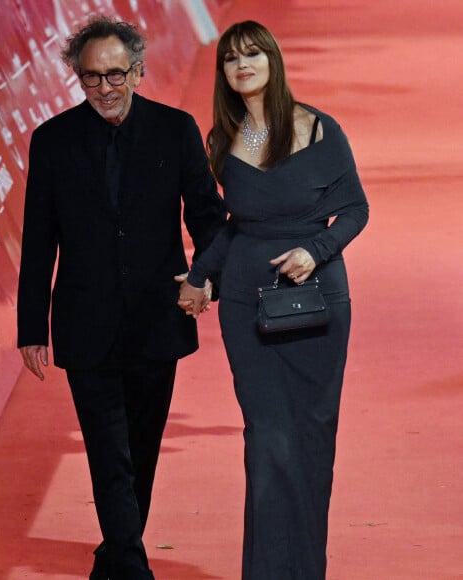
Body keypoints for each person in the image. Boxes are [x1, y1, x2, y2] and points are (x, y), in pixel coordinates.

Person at [16, 15, 226, 580]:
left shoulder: (175, 129)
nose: (104, 89)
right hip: (85, 321)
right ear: (75, 79)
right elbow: (40, 238)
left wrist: (208, 277)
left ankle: (116, 551)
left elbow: (206, 214)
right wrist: (32, 325)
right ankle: (131, 566)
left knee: (142, 448)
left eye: (115, 75)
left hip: (158, 318)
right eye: (91, 78)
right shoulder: (53, 140)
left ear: (138, 70)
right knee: (107, 451)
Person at [178, 20, 369, 580]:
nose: (243, 65)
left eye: (253, 54)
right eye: (232, 58)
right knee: (266, 437)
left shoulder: (317, 128)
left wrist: (316, 248)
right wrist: (198, 276)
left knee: (311, 435)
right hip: (246, 302)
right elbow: (232, 225)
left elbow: (355, 208)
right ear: (225, 74)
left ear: (272, 60)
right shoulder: (221, 140)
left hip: (318, 301)